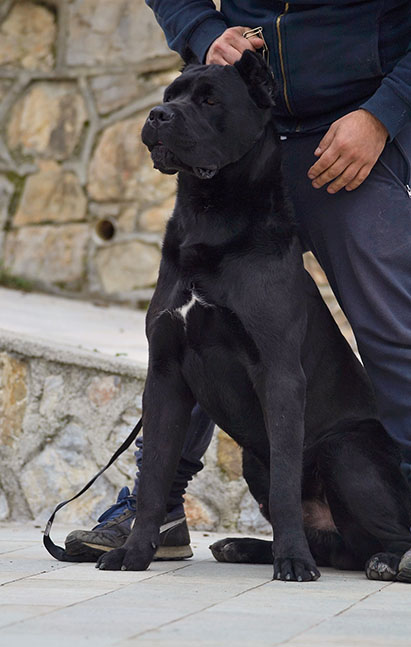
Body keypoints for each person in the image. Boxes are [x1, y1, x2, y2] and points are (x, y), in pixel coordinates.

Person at [65, 0, 411, 561]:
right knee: (199, 326)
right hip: (235, 128)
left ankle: (401, 524)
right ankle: (159, 510)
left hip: (356, 128)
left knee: (394, 331)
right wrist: (204, 32)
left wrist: (386, 112)